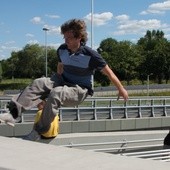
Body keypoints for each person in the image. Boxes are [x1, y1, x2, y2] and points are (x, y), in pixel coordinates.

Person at [0, 18, 128, 141]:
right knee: (39, 82)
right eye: (64, 37)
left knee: (57, 92)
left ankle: (38, 131)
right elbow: (60, 65)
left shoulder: (91, 55)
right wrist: (53, 81)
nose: (65, 41)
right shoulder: (62, 50)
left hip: (79, 90)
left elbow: (109, 73)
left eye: (69, 38)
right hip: (62, 80)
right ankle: (12, 114)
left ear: (79, 38)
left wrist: (121, 89)